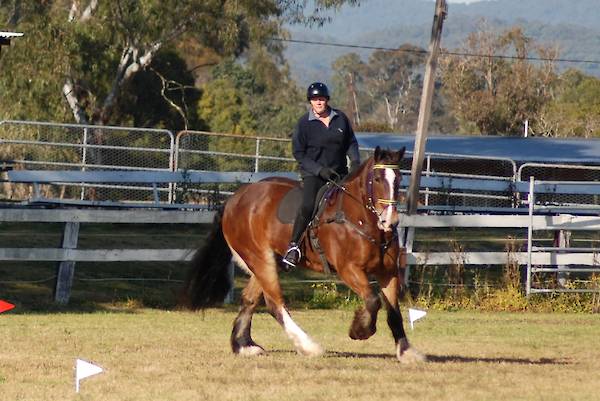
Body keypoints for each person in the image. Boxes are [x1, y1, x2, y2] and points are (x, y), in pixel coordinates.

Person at [282, 82, 361, 269]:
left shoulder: (340, 119)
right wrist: (319, 170)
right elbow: (299, 153)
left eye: (321, 99)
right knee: (308, 205)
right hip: (314, 174)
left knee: (355, 201)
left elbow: (351, 142)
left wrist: (355, 161)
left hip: (339, 173)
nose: (318, 102)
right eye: (315, 99)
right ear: (310, 101)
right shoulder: (304, 123)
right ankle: (294, 246)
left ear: (327, 100)